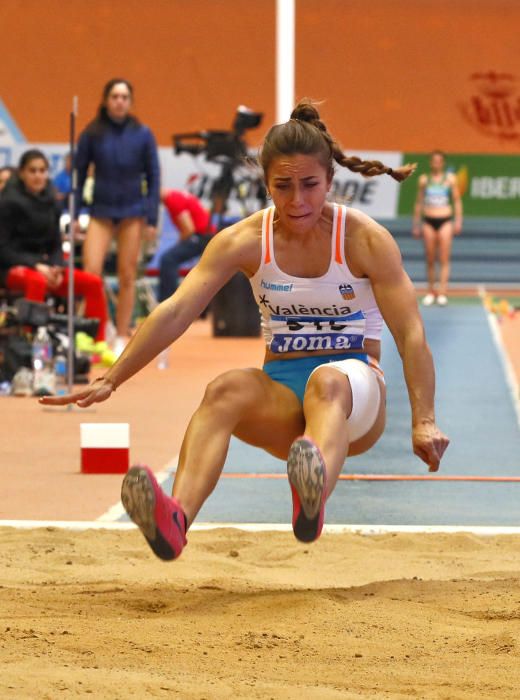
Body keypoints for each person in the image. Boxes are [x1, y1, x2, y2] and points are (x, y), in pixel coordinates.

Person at [41, 101, 449, 561]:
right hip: (282, 395)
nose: (298, 201)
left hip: (354, 399)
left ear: (330, 182)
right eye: (283, 186)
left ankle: (310, 495)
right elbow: (176, 311)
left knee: (327, 381)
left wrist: (424, 420)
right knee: (225, 389)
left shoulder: (364, 239)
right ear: (266, 185)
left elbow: (410, 333)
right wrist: (111, 378)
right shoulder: (244, 241)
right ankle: (177, 518)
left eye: (310, 185)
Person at [75, 78, 160, 355]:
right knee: (91, 274)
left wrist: (151, 218)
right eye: (114, 96)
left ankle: (122, 334)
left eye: (124, 96)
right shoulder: (92, 133)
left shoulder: (143, 134)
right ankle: (102, 327)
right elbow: (79, 173)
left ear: (130, 102)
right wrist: (76, 213)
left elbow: (154, 176)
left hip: (132, 213)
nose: (119, 101)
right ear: (106, 100)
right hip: (100, 212)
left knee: (127, 275)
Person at [0, 149, 107, 340]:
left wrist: (56, 266)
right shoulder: (7, 202)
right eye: (33, 171)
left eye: (42, 170)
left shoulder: (52, 200)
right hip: (12, 268)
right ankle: (30, 341)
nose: (38, 176)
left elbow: (56, 243)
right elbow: (3, 249)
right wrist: (36, 265)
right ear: (22, 173)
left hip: (47, 268)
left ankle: (95, 343)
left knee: (93, 282)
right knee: (37, 281)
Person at [412, 150, 463, 306]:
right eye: (433, 160)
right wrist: (416, 223)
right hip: (428, 221)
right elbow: (419, 202)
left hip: (445, 221)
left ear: (443, 163)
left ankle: (442, 292)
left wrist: (458, 220)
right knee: (430, 258)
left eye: (439, 161)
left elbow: (457, 200)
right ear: (430, 163)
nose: (436, 163)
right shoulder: (424, 180)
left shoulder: (450, 179)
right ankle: (430, 291)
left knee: (444, 258)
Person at [158, 189, 216, 302]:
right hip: (205, 235)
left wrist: (178, 244)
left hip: (202, 237)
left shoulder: (172, 200)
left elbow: (188, 229)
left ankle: (168, 302)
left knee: (168, 259)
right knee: (169, 258)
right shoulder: (176, 195)